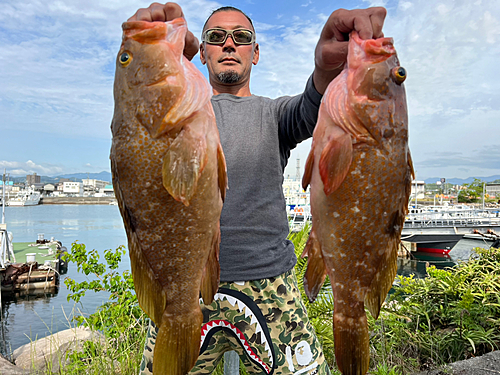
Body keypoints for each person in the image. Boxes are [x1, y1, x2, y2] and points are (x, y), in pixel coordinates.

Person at [128, 3, 386, 374]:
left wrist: (326, 69)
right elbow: (134, 139)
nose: (229, 45)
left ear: (256, 52)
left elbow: (315, 106)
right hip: (186, 285)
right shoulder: (172, 111)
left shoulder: (275, 114)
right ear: (202, 54)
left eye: (241, 37)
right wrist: (157, 59)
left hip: (272, 282)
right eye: (216, 38)